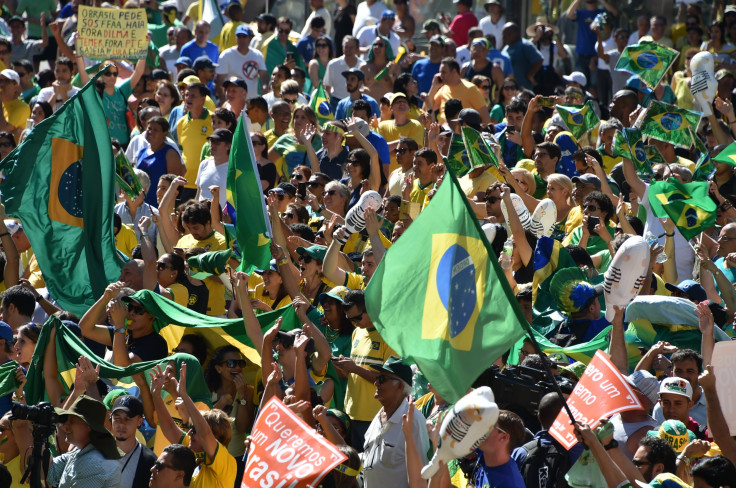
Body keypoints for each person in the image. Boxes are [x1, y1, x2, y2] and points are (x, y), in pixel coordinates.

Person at [361, 356, 430, 487]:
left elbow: (422, 475)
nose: (376, 383)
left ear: (399, 385)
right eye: (377, 378)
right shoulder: (379, 416)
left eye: (382, 379)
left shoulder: (414, 420)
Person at [48, 395, 123, 488]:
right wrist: (28, 426)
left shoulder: (93, 463)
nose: (64, 426)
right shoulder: (80, 453)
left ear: (89, 426)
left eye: (72, 420)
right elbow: (48, 470)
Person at [111, 395, 158, 488]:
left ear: (140, 421)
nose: (121, 424)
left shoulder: (149, 461)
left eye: (128, 419)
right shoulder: (98, 452)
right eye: (117, 418)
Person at [215, 25, 267, 101]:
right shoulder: (226, 55)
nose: (241, 39)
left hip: (251, 102)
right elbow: (219, 81)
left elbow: (264, 74)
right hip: (232, 102)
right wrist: (223, 100)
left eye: (244, 36)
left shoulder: (257, 55)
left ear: (250, 38)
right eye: (239, 36)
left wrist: (265, 86)